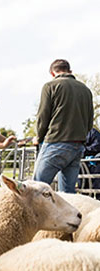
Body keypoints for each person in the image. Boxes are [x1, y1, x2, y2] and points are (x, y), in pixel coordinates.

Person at [33, 59, 93, 193]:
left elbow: (43, 117)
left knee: (36, 189)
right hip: (77, 146)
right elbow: (89, 123)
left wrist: (38, 137)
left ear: (52, 73)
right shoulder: (86, 90)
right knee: (68, 193)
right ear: (70, 71)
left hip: (56, 142)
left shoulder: (50, 86)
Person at [77, 128, 100, 199]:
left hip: (94, 164)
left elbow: (97, 145)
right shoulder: (75, 133)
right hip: (82, 165)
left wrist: (83, 151)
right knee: (83, 186)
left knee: (96, 185)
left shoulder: (93, 132)